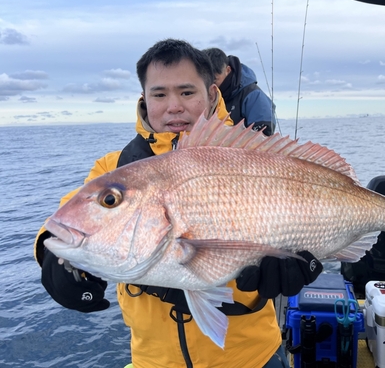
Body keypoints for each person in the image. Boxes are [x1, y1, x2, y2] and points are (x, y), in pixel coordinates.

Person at [34, 39, 322, 368]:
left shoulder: (251, 154)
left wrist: (302, 256)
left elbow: (305, 202)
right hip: (154, 360)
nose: (174, 106)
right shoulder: (114, 169)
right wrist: (48, 253)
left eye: (187, 92)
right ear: (144, 99)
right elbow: (68, 216)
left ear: (212, 95)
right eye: (160, 94)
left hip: (253, 356)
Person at [203, 47, 276, 136]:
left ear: (228, 70)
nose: (210, 86)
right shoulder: (205, 96)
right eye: (205, 82)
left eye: (214, 80)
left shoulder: (253, 96)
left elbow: (264, 135)